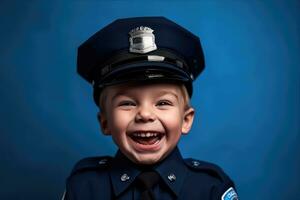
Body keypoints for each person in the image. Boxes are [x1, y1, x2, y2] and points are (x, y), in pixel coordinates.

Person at [63, 16, 238, 200]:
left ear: (186, 120)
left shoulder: (211, 188)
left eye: (163, 103)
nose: (145, 115)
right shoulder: (84, 188)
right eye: (127, 103)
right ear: (105, 122)